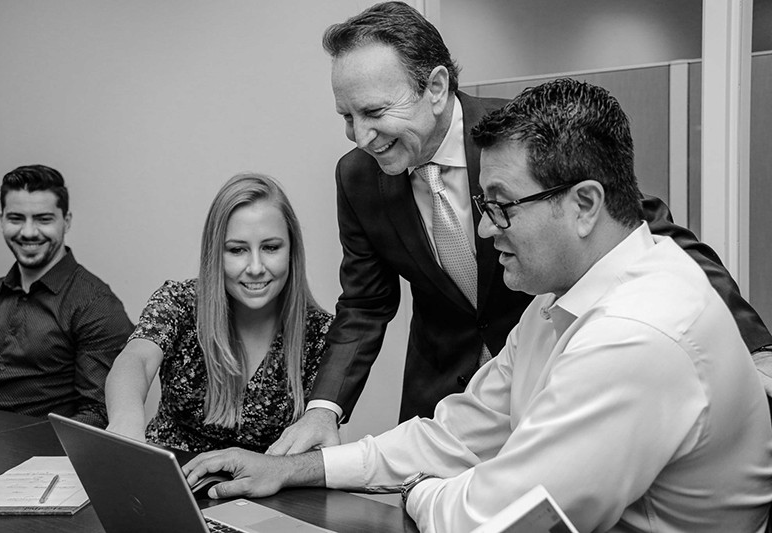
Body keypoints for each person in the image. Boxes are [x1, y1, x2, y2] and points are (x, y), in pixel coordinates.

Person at [183, 78, 772, 533]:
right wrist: (293, 468)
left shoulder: (636, 332)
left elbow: (491, 519)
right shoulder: (558, 303)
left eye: (501, 205)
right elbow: (459, 434)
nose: (486, 231)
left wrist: (414, 489)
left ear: (585, 204)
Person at [269, 0, 772, 455]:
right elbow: (366, 303)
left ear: (437, 88)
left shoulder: (517, 135)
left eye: (375, 112)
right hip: (445, 393)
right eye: (347, 117)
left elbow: (646, 227)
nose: (361, 136)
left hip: (548, 376)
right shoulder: (356, 176)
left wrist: (754, 349)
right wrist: (324, 409)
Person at [105, 173, 333, 453]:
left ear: (292, 250)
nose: (256, 267)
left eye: (270, 247)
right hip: (172, 476)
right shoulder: (180, 301)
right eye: (237, 250)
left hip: (262, 491)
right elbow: (136, 360)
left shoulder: (322, 334)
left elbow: (318, 445)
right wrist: (125, 421)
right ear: (215, 253)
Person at [0, 165, 133, 428]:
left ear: (66, 221)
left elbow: (99, 412)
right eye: (15, 218)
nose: (28, 232)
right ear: (1, 219)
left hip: (39, 454)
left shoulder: (96, 305)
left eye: (43, 219)